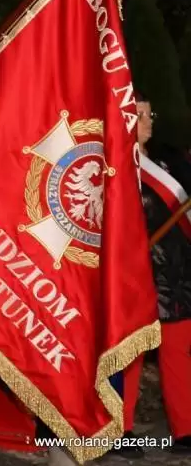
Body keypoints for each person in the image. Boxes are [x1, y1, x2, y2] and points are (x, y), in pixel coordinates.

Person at [121, 94, 191, 455]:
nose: (148, 121)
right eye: (140, 114)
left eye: (150, 114)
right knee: (129, 353)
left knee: (178, 352)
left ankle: (185, 430)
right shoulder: (114, 167)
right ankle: (119, 429)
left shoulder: (168, 161)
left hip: (177, 276)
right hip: (137, 274)